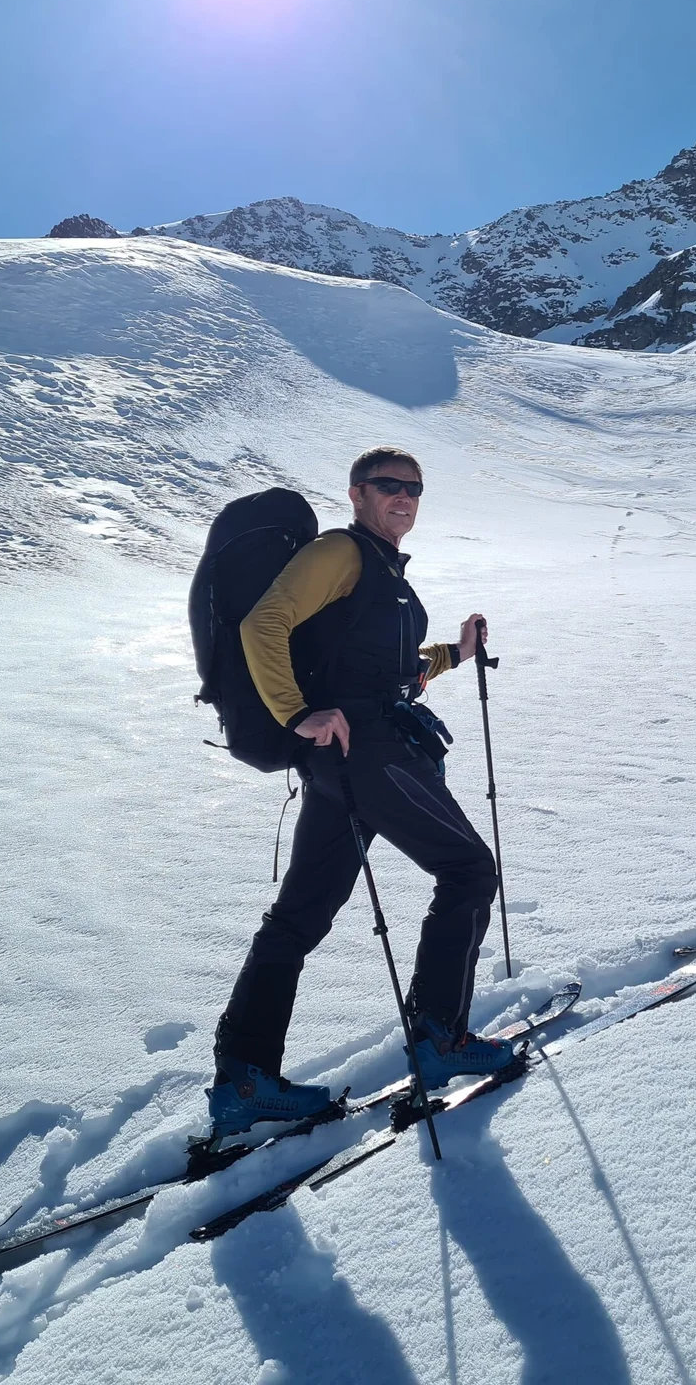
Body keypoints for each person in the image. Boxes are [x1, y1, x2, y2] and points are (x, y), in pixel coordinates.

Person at [207, 447, 512, 1136]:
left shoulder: (383, 570)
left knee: (300, 916)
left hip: (356, 753)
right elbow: (265, 623)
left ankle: (244, 1080)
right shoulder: (342, 553)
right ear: (357, 492)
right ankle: (439, 1038)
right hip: (363, 752)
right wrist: (297, 713)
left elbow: (390, 669)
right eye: (389, 486)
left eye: (414, 488)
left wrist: (455, 654)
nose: (404, 497)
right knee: (468, 870)